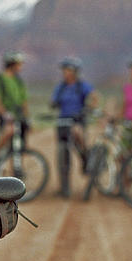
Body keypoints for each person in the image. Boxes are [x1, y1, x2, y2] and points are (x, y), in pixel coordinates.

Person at [50, 57, 97, 197]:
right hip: (63, 121)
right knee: (63, 154)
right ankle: (64, 187)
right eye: (64, 70)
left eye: (68, 70)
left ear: (75, 72)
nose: (65, 73)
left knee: (78, 134)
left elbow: (94, 97)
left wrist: (88, 108)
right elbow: (53, 101)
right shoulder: (61, 87)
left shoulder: (81, 86)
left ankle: (85, 157)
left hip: (78, 120)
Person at [0, 50, 29, 164]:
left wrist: (26, 117)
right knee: (8, 131)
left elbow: (24, 102)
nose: (21, 67)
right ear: (12, 64)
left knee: (20, 144)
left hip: (18, 117)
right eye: (19, 64)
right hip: (5, 117)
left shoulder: (19, 81)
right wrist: (5, 114)